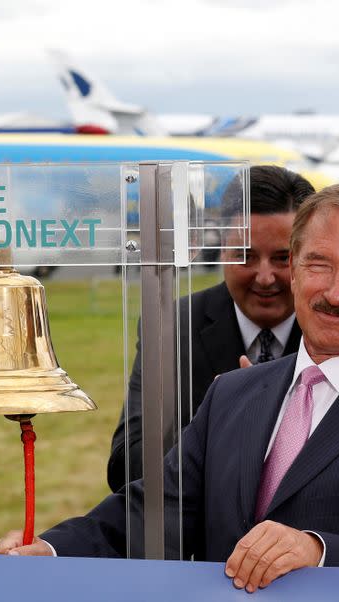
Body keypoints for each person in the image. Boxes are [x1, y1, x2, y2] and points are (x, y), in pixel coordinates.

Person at [0, 182, 339, 591]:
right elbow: (157, 510)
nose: (336, 292)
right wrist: (54, 548)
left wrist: (318, 550)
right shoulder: (232, 394)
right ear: (295, 270)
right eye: (319, 264)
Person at [106, 165, 312, 491]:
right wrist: (211, 423)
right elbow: (124, 467)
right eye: (244, 255)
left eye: (283, 258)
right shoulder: (172, 327)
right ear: (221, 248)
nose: (264, 276)